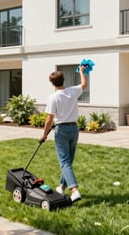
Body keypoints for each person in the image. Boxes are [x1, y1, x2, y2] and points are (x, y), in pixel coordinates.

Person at [41, 65, 87, 203]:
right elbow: (84, 84)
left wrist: (44, 135)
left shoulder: (53, 97)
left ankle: (74, 190)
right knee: (68, 161)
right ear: (63, 80)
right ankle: (61, 187)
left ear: (52, 83)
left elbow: (49, 119)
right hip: (74, 129)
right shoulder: (72, 91)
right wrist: (82, 72)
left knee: (65, 162)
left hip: (62, 131)